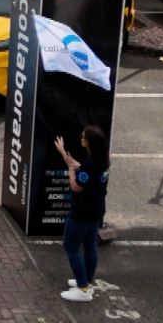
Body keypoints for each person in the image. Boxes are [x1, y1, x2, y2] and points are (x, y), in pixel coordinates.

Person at [54, 125, 110, 303]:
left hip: (82, 212)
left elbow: (76, 186)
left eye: (83, 137)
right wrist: (67, 156)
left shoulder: (90, 164)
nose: (81, 138)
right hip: (97, 210)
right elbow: (86, 172)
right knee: (90, 245)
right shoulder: (102, 161)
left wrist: (70, 170)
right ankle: (86, 280)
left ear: (89, 142)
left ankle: (83, 289)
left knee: (71, 247)